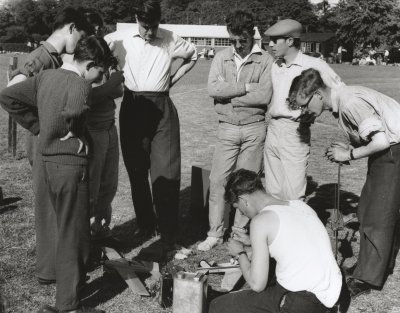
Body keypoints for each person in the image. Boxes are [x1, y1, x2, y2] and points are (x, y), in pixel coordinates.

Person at [0, 36, 109, 313]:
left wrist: (38, 127)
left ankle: (71, 286)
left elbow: (8, 96)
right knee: (72, 234)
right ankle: (68, 306)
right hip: (71, 167)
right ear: (91, 64)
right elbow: (75, 107)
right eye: (101, 71)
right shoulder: (79, 84)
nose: (101, 77)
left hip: (47, 163)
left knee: (64, 229)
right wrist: (76, 130)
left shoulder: (46, 76)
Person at [288, 68, 400, 298]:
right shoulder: (342, 100)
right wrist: (351, 149)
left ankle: (367, 277)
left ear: (318, 94)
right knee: (370, 209)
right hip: (390, 150)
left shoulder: (349, 103)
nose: (304, 110)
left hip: (393, 151)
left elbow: (381, 141)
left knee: (377, 216)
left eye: (305, 104)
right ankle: (374, 265)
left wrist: (348, 155)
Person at [7, 7, 94, 286]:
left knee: (58, 207)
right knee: (48, 207)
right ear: (71, 28)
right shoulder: (41, 56)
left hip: (54, 141)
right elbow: (14, 88)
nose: (81, 44)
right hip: (46, 142)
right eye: (81, 36)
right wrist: (40, 124)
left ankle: (61, 264)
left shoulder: (55, 57)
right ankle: (49, 270)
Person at [104, 0, 197, 259]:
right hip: (133, 105)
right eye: (145, 27)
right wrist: (113, 72)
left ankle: (168, 232)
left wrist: (172, 79)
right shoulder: (118, 39)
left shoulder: (170, 38)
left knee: (167, 170)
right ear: (136, 18)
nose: (149, 32)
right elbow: (97, 53)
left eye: (154, 26)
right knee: (137, 170)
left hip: (162, 107)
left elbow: (193, 55)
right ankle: (146, 225)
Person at [209, 169, 342, 313]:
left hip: (302, 301)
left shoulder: (260, 221)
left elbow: (257, 284)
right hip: (331, 294)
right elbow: (292, 244)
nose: (241, 213)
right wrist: (250, 241)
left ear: (243, 200)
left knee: (217, 306)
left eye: (237, 207)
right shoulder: (299, 205)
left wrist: (239, 253)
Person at [197, 10, 273, 251]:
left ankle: (239, 232)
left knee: (247, 185)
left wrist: (230, 96)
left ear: (252, 35)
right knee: (218, 180)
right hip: (227, 128)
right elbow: (212, 89)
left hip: (255, 129)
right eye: (233, 41)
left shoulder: (266, 60)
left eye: (243, 40)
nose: (238, 46)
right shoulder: (221, 57)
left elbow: (264, 95)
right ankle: (215, 233)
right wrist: (245, 88)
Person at [264, 19, 343, 201]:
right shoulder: (276, 65)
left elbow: (339, 92)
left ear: (290, 41)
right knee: (273, 191)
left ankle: (295, 228)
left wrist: (317, 112)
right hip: (273, 130)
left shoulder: (315, 65)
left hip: (295, 130)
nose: (271, 44)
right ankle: (276, 229)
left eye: (276, 40)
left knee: (293, 193)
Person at [87, 39, 124, 238]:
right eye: (95, 28)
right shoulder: (84, 64)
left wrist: (108, 86)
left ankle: (101, 227)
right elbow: (88, 97)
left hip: (110, 127)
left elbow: (119, 90)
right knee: (92, 186)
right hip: (93, 131)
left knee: (109, 184)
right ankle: (88, 232)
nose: (99, 33)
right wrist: (111, 84)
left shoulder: (105, 60)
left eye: (100, 29)